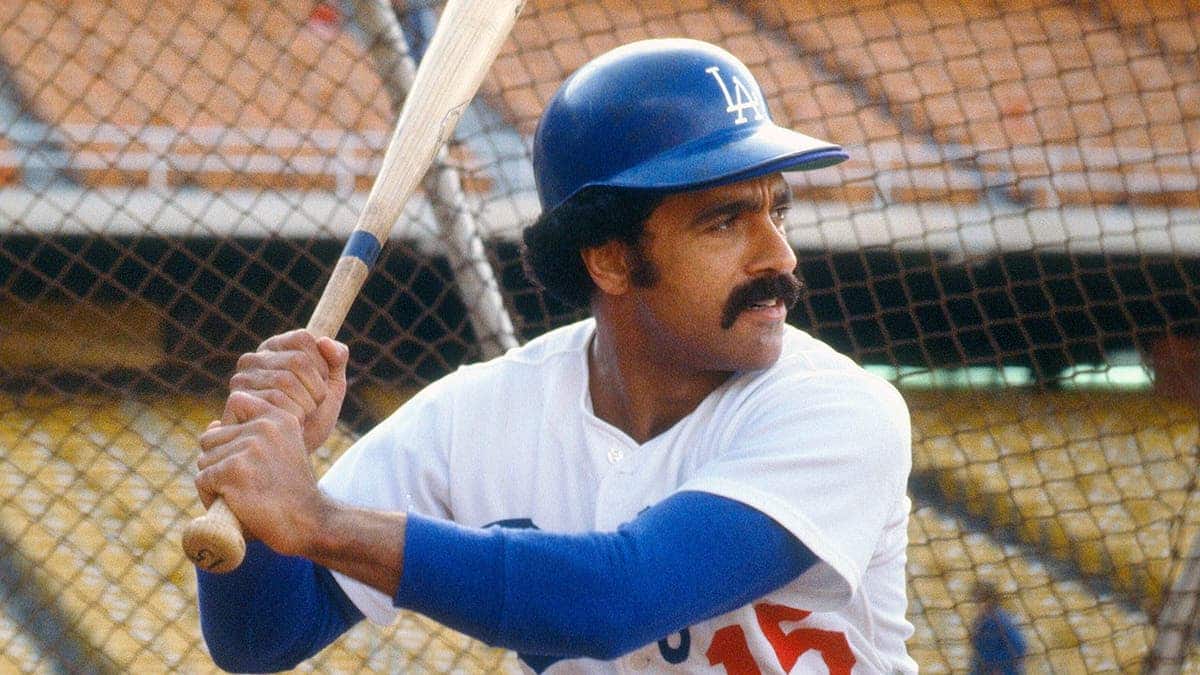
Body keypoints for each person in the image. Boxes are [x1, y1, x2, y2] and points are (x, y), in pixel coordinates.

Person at [193, 38, 917, 674]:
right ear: (610, 259)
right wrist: (260, 493)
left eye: (777, 210)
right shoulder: (477, 414)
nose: (779, 255)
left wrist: (316, 518)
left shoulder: (837, 410)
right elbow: (260, 638)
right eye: (726, 222)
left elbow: (615, 599)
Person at [969, 581, 1026, 674]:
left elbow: (1019, 646)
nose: (976, 605)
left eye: (980, 600)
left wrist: (998, 666)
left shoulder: (1000, 620)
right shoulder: (981, 621)